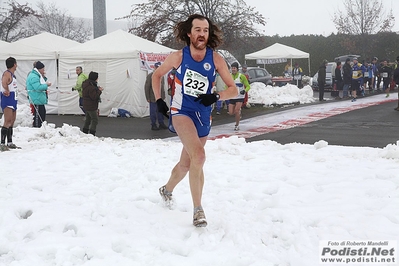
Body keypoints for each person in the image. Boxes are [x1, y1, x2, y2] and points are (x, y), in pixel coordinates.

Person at [151, 14, 237, 227]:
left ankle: (166, 189)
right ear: (189, 33)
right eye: (197, 30)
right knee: (199, 156)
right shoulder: (179, 56)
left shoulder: (216, 59)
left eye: (205, 30)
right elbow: (156, 75)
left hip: (203, 115)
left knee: (187, 163)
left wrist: (216, 96)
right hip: (181, 111)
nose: (202, 34)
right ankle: (198, 210)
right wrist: (159, 100)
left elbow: (233, 89)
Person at [26, 61, 52, 128]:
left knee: (42, 115)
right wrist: (46, 85)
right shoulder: (34, 76)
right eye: (43, 69)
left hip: (39, 99)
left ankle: (40, 128)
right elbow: (38, 87)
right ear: (39, 69)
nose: (44, 70)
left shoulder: (37, 75)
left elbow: (40, 83)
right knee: (38, 117)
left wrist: (43, 77)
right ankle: (36, 129)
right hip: (36, 99)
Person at [1, 57, 19, 151]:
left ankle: (10, 141)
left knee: (12, 120)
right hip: (8, 99)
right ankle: (2, 143)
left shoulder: (13, 74)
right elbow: (4, 82)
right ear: (14, 64)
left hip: (13, 98)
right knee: (7, 120)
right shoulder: (7, 73)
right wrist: (6, 89)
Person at [144, 62, 167, 130]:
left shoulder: (161, 76)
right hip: (153, 97)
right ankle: (153, 124)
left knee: (161, 111)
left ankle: (161, 123)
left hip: (160, 97)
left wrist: (163, 95)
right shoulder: (150, 76)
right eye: (157, 67)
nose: (158, 68)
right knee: (153, 112)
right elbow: (147, 87)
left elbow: (162, 87)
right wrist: (147, 97)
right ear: (154, 67)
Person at [229, 61, 250, 131]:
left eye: (234, 68)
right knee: (231, 112)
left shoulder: (242, 76)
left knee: (236, 111)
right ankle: (238, 113)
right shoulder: (229, 76)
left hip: (240, 96)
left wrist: (244, 91)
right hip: (232, 96)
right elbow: (227, 86)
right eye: (232, 68)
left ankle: (237, 125)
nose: (233, 69)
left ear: (237, 69)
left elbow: (248, 86)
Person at [82, 71, 103, 136]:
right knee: (95, 119)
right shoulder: (91, 86)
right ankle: (92, 133)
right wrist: (99, 91)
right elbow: (94, 96)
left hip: (86, 104)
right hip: (91, 105)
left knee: (88, 119)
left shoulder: (86, 83)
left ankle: (85, 132)